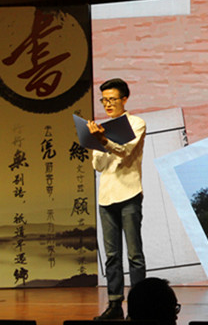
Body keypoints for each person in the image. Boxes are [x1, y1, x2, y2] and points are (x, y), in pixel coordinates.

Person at [88, 78, 147, 320]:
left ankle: (139, 307)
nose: (108, 104)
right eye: (104, 100)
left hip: (129, 193)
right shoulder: (101, 129)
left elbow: (126, 151)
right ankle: (114, 305)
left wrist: (104, 140)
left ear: (124, 99)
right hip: (106, 196)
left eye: (112, 99)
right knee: (112, 256)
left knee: (134, 255)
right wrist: (97, 141)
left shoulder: (136, 123)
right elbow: (98, 165)